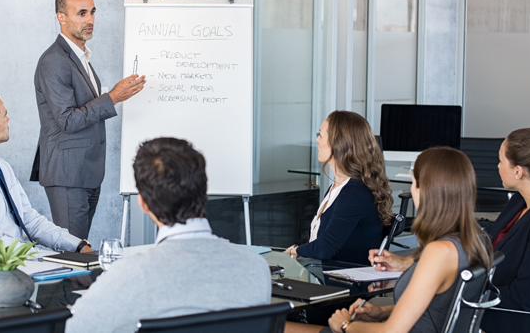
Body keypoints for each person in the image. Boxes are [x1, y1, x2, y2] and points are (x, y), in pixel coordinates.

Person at [65, 138, 270, 333]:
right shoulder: (255, 268)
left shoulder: (129, 275)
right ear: (204, 191)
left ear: (143, 203)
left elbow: (73, 329)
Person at [287, 147, 493, 333]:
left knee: (272, 325)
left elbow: (391, 332)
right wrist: (382, 311)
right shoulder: (476, 240)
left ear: (426, 191)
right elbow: (440, 306)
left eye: (414, 183)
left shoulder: (439, 251)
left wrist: (345, 325)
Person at [33, 0, 146, 239]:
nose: (90, 20)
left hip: (85, 172)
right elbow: (68, 120)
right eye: (81, 13)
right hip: (67, 173)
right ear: (61, 17)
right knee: (74, 254)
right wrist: (114, 97)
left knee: (80, 247)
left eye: (92, 12)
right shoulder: (54, 61)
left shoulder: (80, 57)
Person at [0, 90, 92, 254]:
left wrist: (77, 245)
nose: (8, 120)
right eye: (4, 116)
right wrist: (50, 258)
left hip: (24, 264)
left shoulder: (0, 165)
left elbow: (29, 220)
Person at [479, 128, 530, 333]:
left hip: (508, 321)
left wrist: (464, 293)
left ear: (518, 171)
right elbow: (489, 236)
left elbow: (525, 297)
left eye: (501, 161)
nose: (497, 167)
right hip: (487, 306)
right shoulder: (521, 200)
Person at [284, 111, 392, 265]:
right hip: (326, 274)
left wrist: (295, 250)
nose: (317, 140)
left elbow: (324, 249)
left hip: (343, 282)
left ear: (338, 143)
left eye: (321, 135)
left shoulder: (354, 193)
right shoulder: (340, 187)